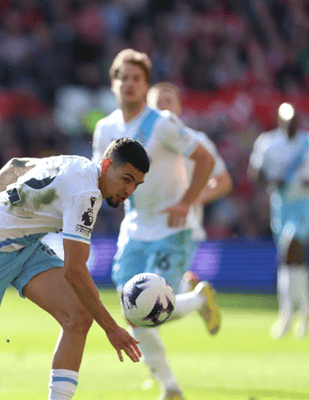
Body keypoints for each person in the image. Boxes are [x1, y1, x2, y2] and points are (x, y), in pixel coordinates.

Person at [0, 138, 148, 400]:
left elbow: (16, 165)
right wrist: (112, 328)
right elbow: (74, 270)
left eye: (136, 183)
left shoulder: (78, 165)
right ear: (105, 165)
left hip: (26, 246)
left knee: (78, 316)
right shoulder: (86, 195)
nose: (129, 189)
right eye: (126, 178)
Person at [92, 49, 221, 400]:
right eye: (124, 78)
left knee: (154, 309)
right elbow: (98, 178)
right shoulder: (105, 129)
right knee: (134, 311)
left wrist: (186, 201)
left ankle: (195, 298)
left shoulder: (163, 124)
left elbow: (206, 159)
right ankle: (170, 387)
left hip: (172, 229)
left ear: (145, 85)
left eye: (137, 78)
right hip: (133, 229)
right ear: (113, 83)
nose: (129, 84)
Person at [248, 102, 309, 339]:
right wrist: (272, 183)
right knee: (290, 259)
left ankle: (286, 314)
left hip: (305, 204)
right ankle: (306, 308)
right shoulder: (267, 143)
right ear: (280, 121)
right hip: (281, 204)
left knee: (291, 247)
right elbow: (255, 172)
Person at [146, 82, 233, 293]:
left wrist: (192, 198)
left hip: (183, 225)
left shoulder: (198, 141)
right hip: (144, 226)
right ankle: (193, 292)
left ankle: (190, 293)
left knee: (156, 295)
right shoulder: (140, 142)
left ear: (179, 107)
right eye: (159, 102)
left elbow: (223, 181)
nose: (165, 106)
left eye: (169, 101)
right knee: (145, 293)